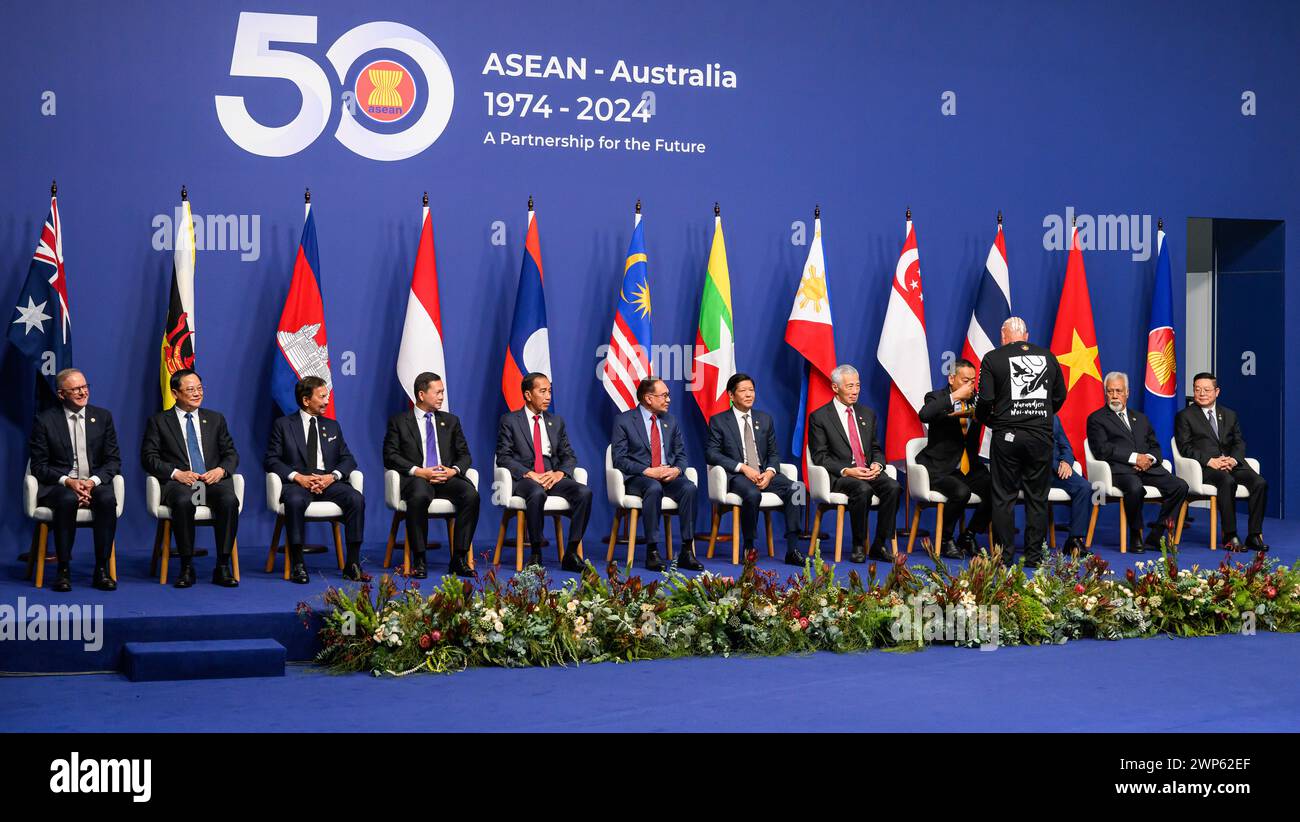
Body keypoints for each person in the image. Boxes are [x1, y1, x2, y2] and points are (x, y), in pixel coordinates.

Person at [974, 317, 1066, 566]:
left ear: (1003, 337)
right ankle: (1034, 557)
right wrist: (1040, 416)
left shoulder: (993, 358)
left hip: (1007, 436)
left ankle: (1003, 557)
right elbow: (1059, 397)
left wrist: (990, 421)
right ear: (1026, 335)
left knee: (1004, 498)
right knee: (1037, 498)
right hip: (1040, 437)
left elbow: (984, 400)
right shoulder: (1048, 357)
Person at [141, 368, 241, 588]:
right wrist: (177, 473)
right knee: (183, 502)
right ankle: (187, 566)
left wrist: (221, 471)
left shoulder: (215, 419)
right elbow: (148, 458)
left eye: (199, 388)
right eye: (190, 389)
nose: (197, 393)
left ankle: (222, 566)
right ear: (175, 393)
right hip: (180, 483)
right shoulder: (159, 421)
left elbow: (231, 453)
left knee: (229, 500)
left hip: (210, 481)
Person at [28, 368, 122, 592]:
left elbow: (113, 460)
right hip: (59, 486)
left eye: (85, 387)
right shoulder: (45, 420)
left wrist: (93, 482)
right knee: (67, 500)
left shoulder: (102, 417)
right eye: (76, 389)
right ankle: (63, 569)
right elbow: (39, 466)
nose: (82, 392)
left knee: (107, 499)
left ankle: (101, 569)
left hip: (93, 483)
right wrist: (67, 481)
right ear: (61, 394)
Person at [264, 376, 366, 583]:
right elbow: (271, 460)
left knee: (356, 499)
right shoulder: (284, 425)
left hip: (328, 482)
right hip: (298, 484)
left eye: (327, 396)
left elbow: (348, 459)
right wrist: (298, 477)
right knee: (293, 501)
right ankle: (298, 564)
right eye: (322, 397)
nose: (327, 401)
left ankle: (353, 564)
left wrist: (332, 477)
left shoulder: (332, 426)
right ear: (306, 400)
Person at [383, 372, 478, 577]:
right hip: (418, 478)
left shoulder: (451, 421)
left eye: (443, 392)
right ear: (421, 394)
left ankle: (459, 558)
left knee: (471, 495)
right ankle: (419, 558)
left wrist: (453, 470)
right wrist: (420, 472)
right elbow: (390, 456)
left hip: (446, 478)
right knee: (418, 496)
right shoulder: (399, 422)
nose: (442, 397)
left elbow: (465, 456)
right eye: (438, 392)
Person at [705, 373, 805, 566]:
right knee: (752, 494)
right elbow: (712, 454)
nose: (749, 394)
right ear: (731, 396)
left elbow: (774, 453)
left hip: (763, 473)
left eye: (751, 390)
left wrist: (769, 472)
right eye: (743, 391)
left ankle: (793, 549)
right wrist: (742, 468)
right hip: (737, 476)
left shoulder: (765, 419)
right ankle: (749, 546)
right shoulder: (719, 421)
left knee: (797, 489)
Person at [494, 373, 591, 571]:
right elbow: (503, 456)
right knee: (536, 493)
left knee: (584, 493)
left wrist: (559, 474)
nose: (548, 396)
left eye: (550, 391)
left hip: (551, 477)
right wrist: (530, 474)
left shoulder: (556, 422)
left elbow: (569, 456)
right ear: (528, 395)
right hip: (525, 479)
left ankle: (571, 553)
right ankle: (536, 552)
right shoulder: (510, 420)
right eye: (543, 391)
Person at [807, 364, 901, 563]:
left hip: (867, 471)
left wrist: (877, 464)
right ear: (835, 388)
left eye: (857, 386)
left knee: (893, 487)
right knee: (862, 490)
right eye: (849, 386)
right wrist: (848, 471)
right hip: (841, 476)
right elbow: (820, 456)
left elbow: (876, 448)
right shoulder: (820, 417)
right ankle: (859, 545)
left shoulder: (867, 414)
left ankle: (879, 544)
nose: (855, 391)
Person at [1086, 372, 1188, 553]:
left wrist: (1149, 459)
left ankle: (1157, 535)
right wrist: (1135, 458)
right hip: (1120, 471)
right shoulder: (1097, 419)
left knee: (1179, 486)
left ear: (1127, 393)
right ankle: (1136, 534)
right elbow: (1103, 450)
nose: (1115, 395)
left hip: (1148, 468)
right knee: (1135, 488)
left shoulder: (1141, 418)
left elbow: (1155, 447)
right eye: (1110, 391)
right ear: (1105, 393)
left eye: (1118, 391)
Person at [612, 377, 704, 571]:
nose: (669, 399)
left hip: (668, 476)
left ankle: (687, 550)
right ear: (648, 398)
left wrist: (676, 470)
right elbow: (619, 459)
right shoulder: (625, 420)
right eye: (664, 395)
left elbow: (681, 455)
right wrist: (647, 471)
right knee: (653, 488)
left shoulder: (670, 420)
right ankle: (652, 551)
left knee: (689, 488)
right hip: (639, 478)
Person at [1174, 371, 1266, 552]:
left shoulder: (1229, 415)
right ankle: (1230, 534)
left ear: (1217, 392)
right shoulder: (1185, 416)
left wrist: (1233, 459)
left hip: (1231, 464)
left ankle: (1254, 535)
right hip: (1204, 468)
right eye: (1197, 389)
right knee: (1227, 481)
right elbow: (1184, 447)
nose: (1201, 394)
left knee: (1260, 483)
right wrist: (1210, 461)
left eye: (1207, 390)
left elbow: (1239, 441)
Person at [916, 358, 991, 559]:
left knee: (999, 488)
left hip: (968, 466)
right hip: (940, 467)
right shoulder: (936, 397)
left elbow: (993, 418)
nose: (970, 385)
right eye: (965, 380)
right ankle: (945, 539)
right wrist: (955, 396)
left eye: (973, 381)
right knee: (961, 491)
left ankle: (969, 535)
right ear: (951, 378)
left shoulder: (977, 399)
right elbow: (924, 415)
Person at [1050, 415, 1093, 553]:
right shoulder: (1024, 412)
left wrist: (1066, 462)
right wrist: (1057, 465)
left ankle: (1075, 539)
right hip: (1038, 470)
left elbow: (1065, 445)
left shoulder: (1054, 417)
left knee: (1084, 487)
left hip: (1059, 469)